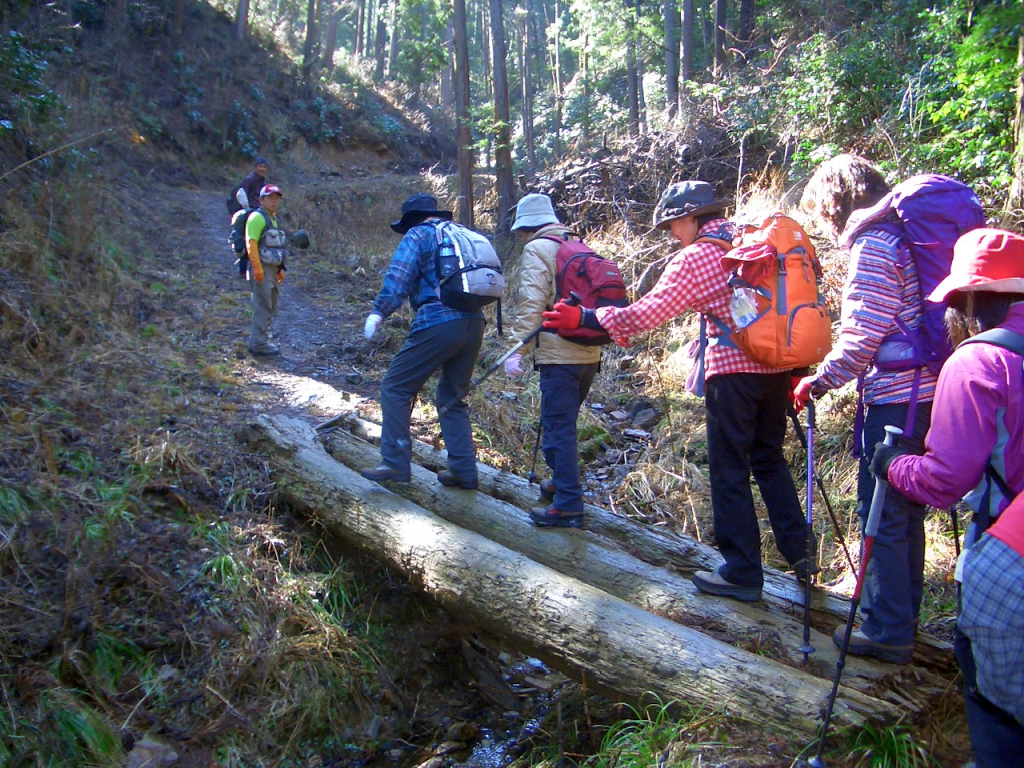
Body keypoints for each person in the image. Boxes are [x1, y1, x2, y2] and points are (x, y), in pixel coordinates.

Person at [542, 181, 809, 601]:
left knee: (729, 469)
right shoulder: (753, 238)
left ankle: (741, 571)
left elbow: (649, 313)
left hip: (733, 375)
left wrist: (589, 317)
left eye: (673, 224)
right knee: (770, 460)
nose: (671, 233)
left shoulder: (700, 256)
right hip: (776, 368)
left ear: (690, 216)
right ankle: (802, 556)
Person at [871, 227, 1024, 765]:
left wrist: (894, 465)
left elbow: (944, 481)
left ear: (971, 298)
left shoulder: (980, 361)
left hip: (1010, 549)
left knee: (997, 706)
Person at [792, 154, 935, 664]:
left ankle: (887, 629)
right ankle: (898, 614)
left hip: (898, 398)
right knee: (904, 508)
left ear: (834, 207)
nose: (828, 232)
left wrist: (820, 381)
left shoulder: (875, 243)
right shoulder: (906, 235)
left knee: (884, 511)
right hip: (925, 392)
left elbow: (862, 338)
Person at [361, 194, 485, 488]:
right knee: (452, 396)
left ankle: (394, 463)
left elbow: (399, 277)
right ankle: (465, 471)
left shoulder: (419, 234)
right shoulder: (463, 235)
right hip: (475, 323)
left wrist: (379, 312)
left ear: (412, 219)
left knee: (395, 386)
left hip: (438, 322)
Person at [504, 194, 602, 528]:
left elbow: (531, 304)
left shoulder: (538, 249)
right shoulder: (579, 244)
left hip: (560, 354)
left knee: (558, 429)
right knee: (564, 423)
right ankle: (561, 485)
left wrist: (516, 350)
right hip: (590, 351)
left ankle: (568, 505)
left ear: (525, 227)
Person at [246, 184, 287, 357]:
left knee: (269, 305)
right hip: (262, 269)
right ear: (261, 199)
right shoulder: (257, 218)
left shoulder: (272, 218)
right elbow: (251, 243)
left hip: (271, 269)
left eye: (276, 198)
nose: (274, 201)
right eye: (270, 198)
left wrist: (279, 269)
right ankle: (259, 344)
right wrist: (257, 268)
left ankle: (257, 340)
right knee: (263, 306)